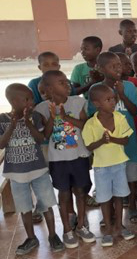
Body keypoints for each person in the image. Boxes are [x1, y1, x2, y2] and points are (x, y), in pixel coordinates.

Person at [0, 83, 64, 254]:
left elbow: (41, 138)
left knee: (47, 204)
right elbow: (1, 144)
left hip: (38, 170)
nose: (31, 102)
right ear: (14, 101)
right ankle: (31, 238)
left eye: (31, 98)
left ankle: (52, 236)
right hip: (16, 174)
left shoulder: (34, 117)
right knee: (24, 208)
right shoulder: (2, 119)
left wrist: (28, 124)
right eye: (27, 99)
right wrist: (12, 126)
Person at [34, 70, 95, 248]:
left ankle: (82, 225)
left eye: (66, 81)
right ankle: (67, 230)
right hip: (58, 160)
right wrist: (53, 117)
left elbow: (85, 125)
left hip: (79, 156)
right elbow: (45, 134)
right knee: (64, 194)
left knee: (81, 192)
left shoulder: (78, 102)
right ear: (49, 89)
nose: (67, 84)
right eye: (61, 82)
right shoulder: (43, 108)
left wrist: (65, 117)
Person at [87, 52, 137, 225]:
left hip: (129, 142)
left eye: (119, 64)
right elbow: (92, 115)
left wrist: (122, 95)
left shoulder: (129, 86)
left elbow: (135, 112)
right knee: (108, 180)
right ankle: (108, 213)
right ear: (101, 69)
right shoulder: (96, 89)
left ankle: (132, 206)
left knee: (132, 176)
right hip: (107, 144)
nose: (118, 68)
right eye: (113, 66)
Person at [82, 84, 135, 247]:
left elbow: (126, 140)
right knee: (105, 199)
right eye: (108, 99)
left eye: (113, 98)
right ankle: (109, 229)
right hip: (101, 168)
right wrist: (101, 141)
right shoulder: (91, 124)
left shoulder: (119, 118)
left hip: (119, 164)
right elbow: (89, 147)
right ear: (97, 103)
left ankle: (119, 225)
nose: (112, 102)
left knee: (119, 196)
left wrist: (111, 139)